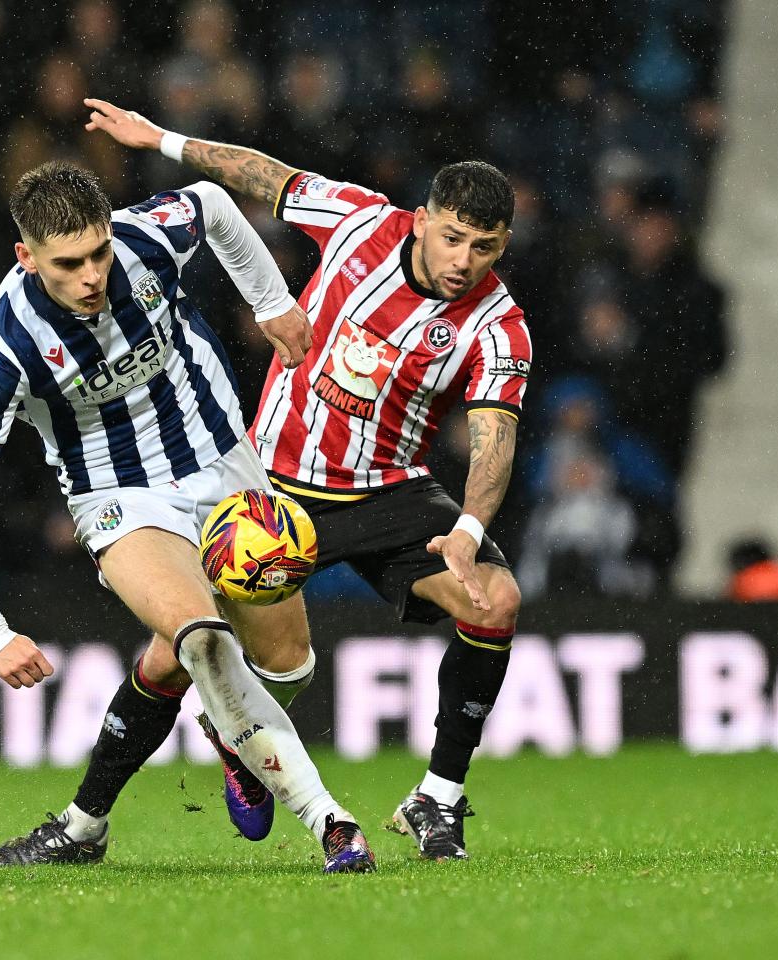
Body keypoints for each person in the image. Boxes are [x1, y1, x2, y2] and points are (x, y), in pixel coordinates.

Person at [85, 97, 531, 862]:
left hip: (392, 493)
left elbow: (495, 440)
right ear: (423, 218)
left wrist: (468, 531)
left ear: (503, 245)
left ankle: (438, 799)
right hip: (274, 485)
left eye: (483, 247)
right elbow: (264, 175)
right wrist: (160, 138)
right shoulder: (359, 220)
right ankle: (85, 819)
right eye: (453, 236)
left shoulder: (498, 324)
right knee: (176, 650)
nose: (463, 259)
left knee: (495, 599)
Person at [0, 160, 375, 873]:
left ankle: (129, 797)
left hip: (227, 466)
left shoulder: (146, 238)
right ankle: (333, 824)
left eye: (99, 253)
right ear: (26, 257)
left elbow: (215, 203)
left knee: (287, 666)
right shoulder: (7, 343)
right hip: (121, 497)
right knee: (201, 639)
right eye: (68, 263)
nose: (92, 275)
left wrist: (270, 301)